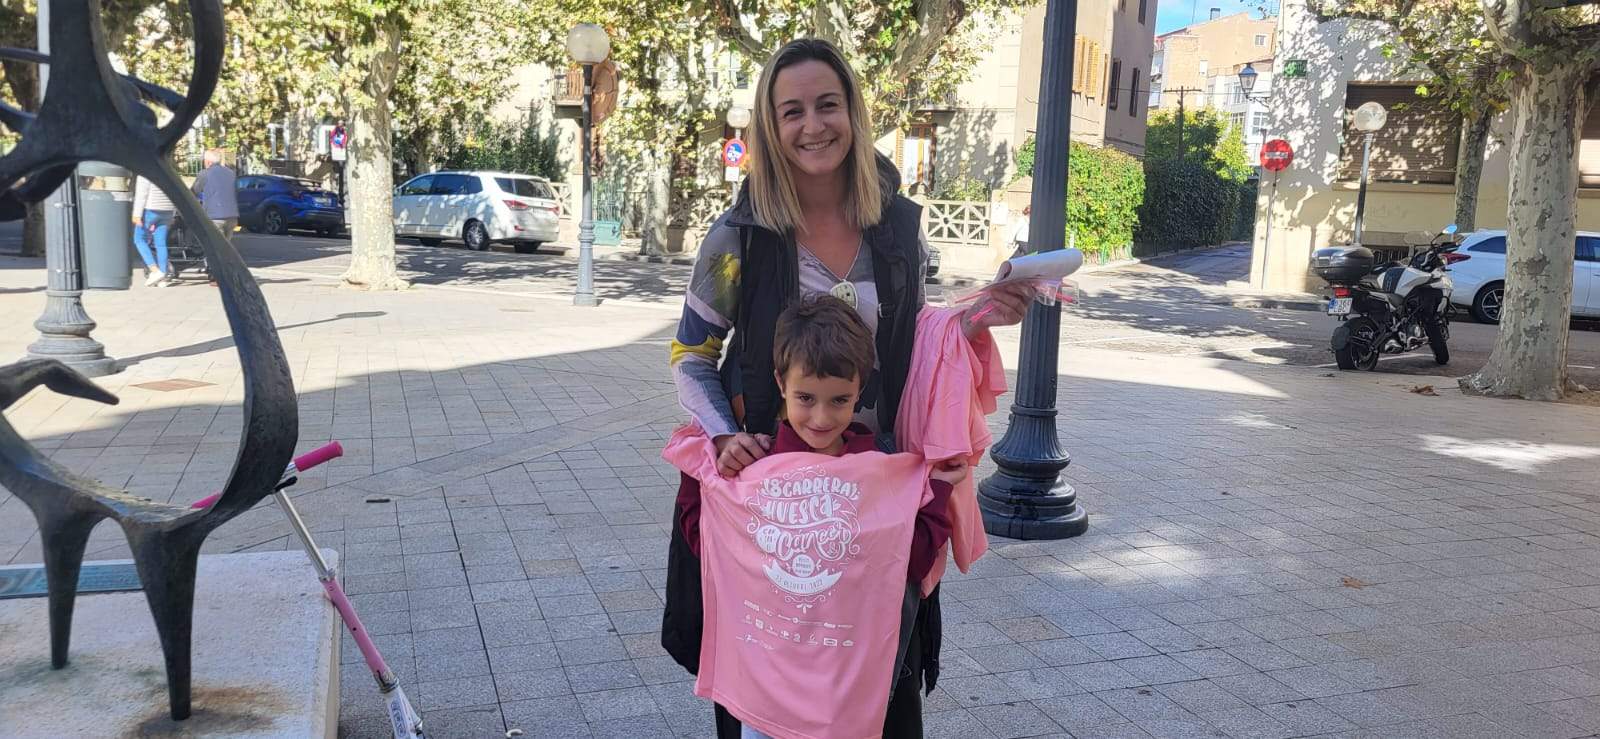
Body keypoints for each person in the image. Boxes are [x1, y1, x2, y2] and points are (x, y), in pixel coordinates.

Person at [663, 37, 1033, 737]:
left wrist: (980, 316)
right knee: (771, 685)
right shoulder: (738, 235)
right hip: (778, 507)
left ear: (854, 113)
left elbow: (917, 335)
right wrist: (723, 434)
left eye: (828, 105)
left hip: (868, 508)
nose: (813, 126)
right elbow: (692, 353)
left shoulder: (897, 228)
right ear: (770, 127)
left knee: (881, 686)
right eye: (792, 111)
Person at [131, 175, 176, 287]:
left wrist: (137, 214)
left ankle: (155, 271)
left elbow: (141, 195)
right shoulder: (166, 171)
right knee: (160, 244)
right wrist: (173, 213)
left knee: (139, 239)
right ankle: (163, 277)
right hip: (167, 210)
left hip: (150, 209)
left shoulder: (144, 173)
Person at [191, 148, 239, 243]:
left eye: (204, 160)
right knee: (226, 246)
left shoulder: (205, 173)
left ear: (208, 162)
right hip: (232, 216)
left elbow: (194, 192)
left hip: (215, 217)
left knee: (216, 246)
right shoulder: (231, 173)